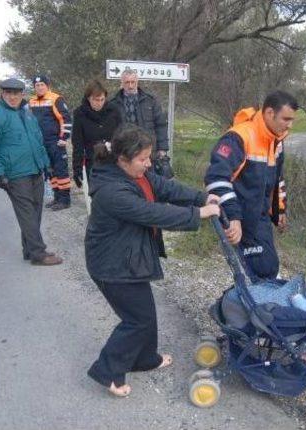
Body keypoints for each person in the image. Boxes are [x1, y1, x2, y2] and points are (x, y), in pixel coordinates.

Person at [85, 124, 220, 397]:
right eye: (143, 159)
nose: (148, 164)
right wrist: (199, 213)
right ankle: (106, 369)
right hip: (111, 264)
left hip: (128, 257)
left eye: (149, 157)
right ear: (123, 159)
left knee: (144, 313)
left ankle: (144, 359)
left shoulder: (138, 174)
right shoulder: (112, 191)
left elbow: (165, 189)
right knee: (137, 320)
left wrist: (202, 196)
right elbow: (154, 213)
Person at [204, 90, 297, 281]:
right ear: (270, 113)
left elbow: (277, 179)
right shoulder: (239, 137)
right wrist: (234, 217)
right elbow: (216, 178)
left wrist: (279, 212)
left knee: (266, 268)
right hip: (240, 217)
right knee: (260, 270)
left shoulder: (276, 140)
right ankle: (254, 307)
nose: (290, 125)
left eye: (292, 120)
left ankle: (263, 305)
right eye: (286, 119)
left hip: (260, 216)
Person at [0, 78, 63, 266]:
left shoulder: (27, 114)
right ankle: (39, 254)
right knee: (27, 213)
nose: (13, 97)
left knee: (35, 212)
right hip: (15, 174)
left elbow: (37, 140)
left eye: (16, 93)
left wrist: (46, 164)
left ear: (22, 94)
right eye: (9, 93)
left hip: (35, 169)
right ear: (3, 94)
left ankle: (29, 249)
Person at [109, 70, 172, 178]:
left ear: (137, 82)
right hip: (126, 152)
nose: (130, 85)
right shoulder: (114, 104)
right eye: (127, 82)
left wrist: (162, 149)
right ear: (122, 83)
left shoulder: (150, 101)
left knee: (151, 183)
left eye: (133, 82)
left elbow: (160, 125)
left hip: (148, 152)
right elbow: (111, 130)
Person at [29, 74, 73, 210]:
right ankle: (57, 197)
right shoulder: (31, 101)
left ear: (47, 86)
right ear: (34, 87)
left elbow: (66, 119)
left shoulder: (56, 99)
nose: (40, 87)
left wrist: (63, 138)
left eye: (42, 85)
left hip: (55, 142)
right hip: (41, 144)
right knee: (50, 171)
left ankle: (65, 200)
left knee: (61, 170)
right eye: (37, 85)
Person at [71, 79, 122, 188]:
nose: (99, 103)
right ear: (89, 98)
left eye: (102, 99)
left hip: (113, 161)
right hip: (93, 162)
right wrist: (77, 168)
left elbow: (122, 134)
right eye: (95, 100)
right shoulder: (80, 114)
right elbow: (77, 143)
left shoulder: (114, 111)